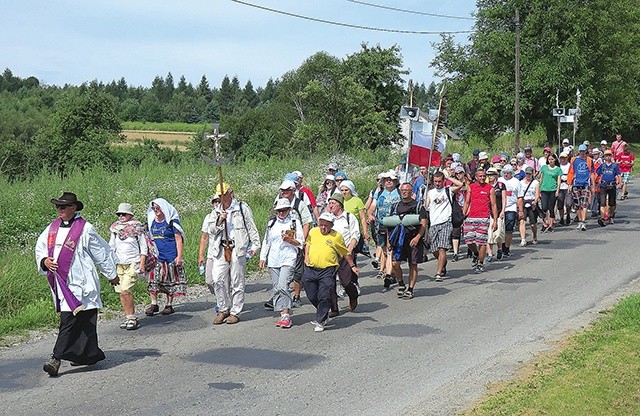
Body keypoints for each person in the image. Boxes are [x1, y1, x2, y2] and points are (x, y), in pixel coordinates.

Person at [36, 192, 119, 377]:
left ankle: (55, 359)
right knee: (71, 320)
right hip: (63, 283)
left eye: (63, 207)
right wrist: (44, 261)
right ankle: (85, 355)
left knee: (83, 320)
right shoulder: (51, 229)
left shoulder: (85, 228)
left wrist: (111, 274)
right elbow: (40, 249)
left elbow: (100, 253)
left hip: (83, 282)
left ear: (73, 208)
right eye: (58, 207)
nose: (59, 210)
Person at [206, 183, 261, 325]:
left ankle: (235, 311)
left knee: (237, 280)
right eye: (219, 195)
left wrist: (255, 245)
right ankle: (223, 308)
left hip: (237, 247)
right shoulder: (216, 211)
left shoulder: (241, 208)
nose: (222, 198)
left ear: (230, 193)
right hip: (221, 247)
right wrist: (219, 220)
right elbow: (211, 230)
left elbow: (251, 227)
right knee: (217, 279)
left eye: (224, 195)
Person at [303, 212, 359, 332]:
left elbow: (345, 253)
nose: (323, 228)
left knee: (324, 294)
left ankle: (320, 320)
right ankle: (323, 311)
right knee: (312, 295)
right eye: (321, 224)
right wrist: (306, 256)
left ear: (331, 225)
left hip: (328, 270)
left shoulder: (336, 237)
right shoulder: (313, 232)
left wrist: (352, 266)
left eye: (326, 225)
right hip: (311, 268)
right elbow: (308, 244)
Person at [259, 198, 304, 329]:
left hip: (288, 258)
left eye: (284, 210)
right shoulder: (272, 223)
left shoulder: (294, 223)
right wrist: (263, 257)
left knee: (283, 285)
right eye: (279, 211)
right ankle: (282, 312)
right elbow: (266, 241)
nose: (281, 213)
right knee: (277, 287)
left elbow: (301, 242)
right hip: (274, 259)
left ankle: (286, 314)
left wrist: (290, 240)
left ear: (289, 210)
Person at [108, 203, 147, 331]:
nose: (121, 216)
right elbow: (111, 246)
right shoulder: (115, 229)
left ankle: (132, 318)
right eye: (119, 214)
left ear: (130, 215)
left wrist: (142, 263)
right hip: (120, 263)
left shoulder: (137, 228)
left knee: (125, 289)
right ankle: (128, 316)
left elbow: (143, 247)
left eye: (124, 214)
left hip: (133, 263)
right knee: (121, 292)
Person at [145, 198, 186, 316]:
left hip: (170, 255)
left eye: (157, 208)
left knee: (169, 280)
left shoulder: (172, 222)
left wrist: (179, 256)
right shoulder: (151, 221)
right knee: (153, 280)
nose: (155, 210)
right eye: (153, 208)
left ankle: (169, 304)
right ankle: (154, 303)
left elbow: (179, 239)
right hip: (156, 256)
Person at [388, 182, 428, 297]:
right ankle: (401, 283)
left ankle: (410, 289)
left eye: (407, 190)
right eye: (402, 190)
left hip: (413, 239)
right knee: (395, 263)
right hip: (398, 240)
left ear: (411, 192)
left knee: (413, 264)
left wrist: (417, 238)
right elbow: (390, 225)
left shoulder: (418, 206)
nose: (404, 192)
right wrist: (389, 241)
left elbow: (423, 224)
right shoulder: (395, 206)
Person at [278, 179, 313, 309]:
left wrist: (302, 241)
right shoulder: (279, 203)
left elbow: (306, 223)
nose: (284, 192)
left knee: (297, 271)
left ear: (293, 191)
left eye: (287, 190)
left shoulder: (300, 204)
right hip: (283, 240)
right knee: (282, 268)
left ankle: (296, 296)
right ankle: (282, 294)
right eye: (283, 190)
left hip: (296, 240)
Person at [425, 172, 463, 281]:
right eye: (435, 181)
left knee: (442, 248)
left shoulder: (448, 190)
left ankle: (438, 272)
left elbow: (460, 185)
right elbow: (427, 205)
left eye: (439, 181)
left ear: (443, 181)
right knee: (434, 249)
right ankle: (443, 262)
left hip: (446, 222)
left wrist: (448, 177)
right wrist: (425, 206)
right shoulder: (430, 192)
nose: (437, 184)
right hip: (433, 223)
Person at [326, 193, 361, 313]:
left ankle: (353, 295)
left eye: (333, 203)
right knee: (329, 283)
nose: (330, 206)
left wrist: (350, 249)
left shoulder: (349, 217)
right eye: (329, 203)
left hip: (345, 253)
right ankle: (334, 308)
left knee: (346, 281)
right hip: (330, 254)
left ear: (340, 205)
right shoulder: (327, 218)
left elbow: (355, 234)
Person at [367, 169, 401, 286]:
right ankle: (392, 273)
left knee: (391, 249)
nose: (388, 182)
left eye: (391, 180)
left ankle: (388, 274)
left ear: (396, 181)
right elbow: (372, 206)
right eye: (386, 180)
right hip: (381, 225)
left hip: (395, 225)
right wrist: (370, 214)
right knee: (385, 251)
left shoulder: (400, 192)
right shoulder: (380, 193)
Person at [462, 168, 498, 273]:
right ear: (476, 177)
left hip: (484, 217)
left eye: (484, 176)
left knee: (482, 241)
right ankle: (476, 254)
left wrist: (495, 220)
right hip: (471, 217)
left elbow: (494, 205)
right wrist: (463, 216)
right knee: (468, 239)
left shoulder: (490, 188)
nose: (482, 178)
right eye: (480, 176)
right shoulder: (471, 187)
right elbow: (467, 203)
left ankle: (480, 263)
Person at [567, 144, 595, 231]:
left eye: (583, 151)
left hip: (586, 184)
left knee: (584, 204)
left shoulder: (589, 160)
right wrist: (569, 184)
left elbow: (592, 173)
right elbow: (571, 172)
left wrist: (593, 185)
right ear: (578, 151)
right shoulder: (574, 160)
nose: (582, 153)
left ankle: (583, 221)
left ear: (586, 151)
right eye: (580, 151)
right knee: (577, 204)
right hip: (576, 184)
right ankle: (580, 220)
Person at [498, 164, 520, 257]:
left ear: (511, 173)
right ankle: (501, 246)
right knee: (501, 229)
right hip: (500, 208)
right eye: (504, 173)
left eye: (508, 173)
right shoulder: (499, 181)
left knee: (509, 229)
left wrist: (520, 209)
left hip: (511, 207)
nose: (506, 174)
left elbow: (520, 196)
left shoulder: (516, 182)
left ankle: (506, 248)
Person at [596, 150, 622, 226]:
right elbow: (597, 174)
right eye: (606, 155)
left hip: (612, 185)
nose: (608, 157)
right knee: (602, 202)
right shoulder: (602, 166)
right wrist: (594, 183)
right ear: (604, 157)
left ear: (611, 156)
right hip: (603, 185)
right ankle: (603, 218)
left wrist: (620, 183)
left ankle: (611, 216)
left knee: (612, 203)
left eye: (609, 155)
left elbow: (619, 175)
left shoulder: (614, 166)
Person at [486, 167, 506, 261]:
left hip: (498, 211)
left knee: (498, 234)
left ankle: (499, 249)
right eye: (488, 175)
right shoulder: (486, 186)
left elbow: (504, 199)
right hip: (488, 212)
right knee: (489, 234)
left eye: (492, 175)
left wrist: (503, 210)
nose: (490, 177)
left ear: (496, 175)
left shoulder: (501, 185)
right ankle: (489, 254)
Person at [538, 153, 562, 232]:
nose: (551, 161)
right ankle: (544, 223)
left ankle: (551, 225)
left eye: (552, 159)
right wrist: (538, 189)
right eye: (549, 159)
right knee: (544, 207)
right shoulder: (544, 168)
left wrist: (557, 190)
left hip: (553, 190)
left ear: (555, 160)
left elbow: (558, 181)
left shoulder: (558, 169)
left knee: (551, 208)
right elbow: (541, 179)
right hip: (544, 189)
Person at [517, 167, 540, 245]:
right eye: (527, 173)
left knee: (533, 223)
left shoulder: (535, 182)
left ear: (532, 174)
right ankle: (523, 239)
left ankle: (534, 236)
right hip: (523, 203)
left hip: (531, 203)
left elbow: (537, 193)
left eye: (530, 174)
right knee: (522, 221)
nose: (528, 175)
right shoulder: (520, 182)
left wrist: (535, 201)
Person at [557, 152, 573, 226]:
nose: (563, 159)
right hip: (560, 187)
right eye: (561, 158)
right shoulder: (558, 167)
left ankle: (568, 215)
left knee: (568, 203)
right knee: (560, 205)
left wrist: (571, 184)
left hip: (568, 186)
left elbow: (573, 174)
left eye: (564, 158)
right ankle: (561, 218)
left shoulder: (570, 165)